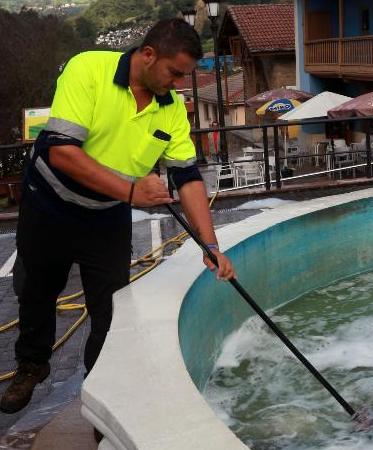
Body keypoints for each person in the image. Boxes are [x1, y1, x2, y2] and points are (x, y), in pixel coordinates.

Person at [0, 19, 235, 417]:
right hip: (48, 207)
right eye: (174, 72)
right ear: (148, 55)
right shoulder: (87, 69)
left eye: (184, 76)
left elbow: (188, 177)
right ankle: (32, 364)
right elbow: (60, 151)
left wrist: (210, 246)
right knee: (36, 292)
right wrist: (131, 191)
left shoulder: (172, 108)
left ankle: (101, 392)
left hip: (106, 217)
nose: (179, 84)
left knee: (111, 310)